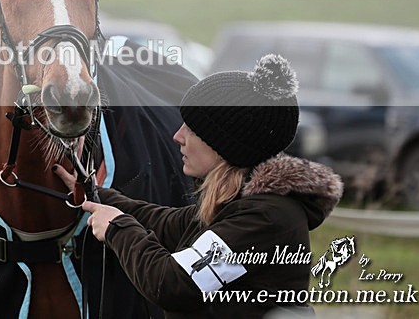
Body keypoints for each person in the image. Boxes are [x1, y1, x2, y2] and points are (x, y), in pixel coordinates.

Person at [55, 54, 343, 318]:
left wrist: (117, 228)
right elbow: (165, 222)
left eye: (191, 129)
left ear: (225, 145)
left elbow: (172, 284)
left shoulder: (265, 218)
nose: (177, 136)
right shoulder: (242, 204)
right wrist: (94, 193)